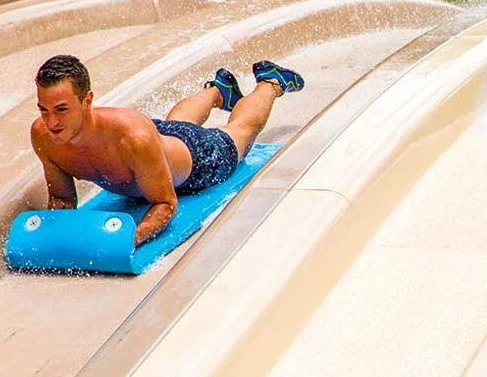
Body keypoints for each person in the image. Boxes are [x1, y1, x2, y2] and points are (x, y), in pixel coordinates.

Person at [31, 54, 303, 246]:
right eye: (44, 110)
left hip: (197, 160)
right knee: (174, 126)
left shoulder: (132, 139)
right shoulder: (44, 136)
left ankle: (271, 82)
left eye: (61, 110)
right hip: (157, 143)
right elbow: (63, 198)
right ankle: (216, 91)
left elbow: (165, 203)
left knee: (239, 131)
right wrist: (52, 234)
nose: (52, 122)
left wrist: (131, 238)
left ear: (87, 100)